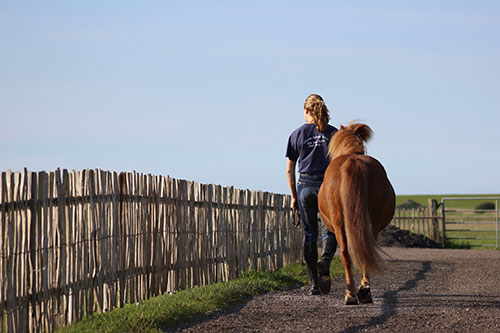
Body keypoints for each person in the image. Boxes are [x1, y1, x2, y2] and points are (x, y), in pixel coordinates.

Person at [285, 94, 338, 295]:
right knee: (330, 230)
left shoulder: (296, 134)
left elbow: (290, 169)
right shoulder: (334, 134)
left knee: (309, 234)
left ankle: (314, 284)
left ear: (306, 111)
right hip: (328, 187)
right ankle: (324, 261)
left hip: (305, 186)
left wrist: (293, 197)